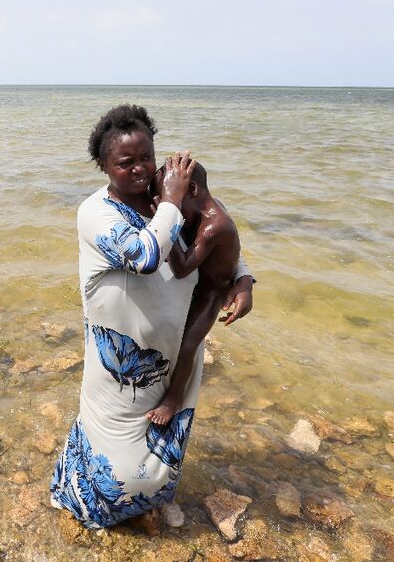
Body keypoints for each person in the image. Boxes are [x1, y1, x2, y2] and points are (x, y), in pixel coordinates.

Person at [49, 105, 254, 530]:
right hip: (120, 362)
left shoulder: (165, 200)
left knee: (163, 449)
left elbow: (216, 234)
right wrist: (173, 202)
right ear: (104, 166)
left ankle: (149, 504)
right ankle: (86, 508)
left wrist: (242, 277)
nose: (141, 169)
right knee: (113, 452)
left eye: (146, 157)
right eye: (126, 163)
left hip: (174, 348)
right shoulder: (97, 212)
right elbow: (143, 255)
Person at [147, 161, 240, 425]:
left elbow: (183, 267)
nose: (171, 206)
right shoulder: (202, 210)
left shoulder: (216, 225)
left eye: (175, 200)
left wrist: (166, 220)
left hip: (213, 290)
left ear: (193, 190)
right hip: (200, 279)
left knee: (189, 343)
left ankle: (174, 398)